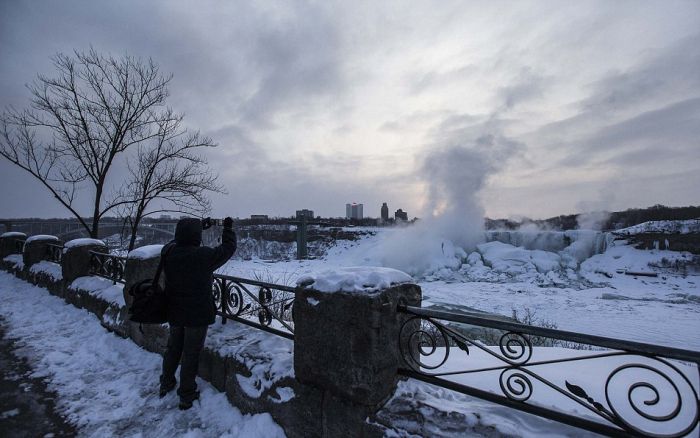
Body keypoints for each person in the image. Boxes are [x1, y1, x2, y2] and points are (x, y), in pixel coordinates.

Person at [159, 216, 236, 410]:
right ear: (196, 236)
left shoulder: (168, 252)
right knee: (191, 353)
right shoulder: (203, 256)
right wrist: (228, 229)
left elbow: (173, 242)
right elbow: (228, 249)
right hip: (196, 313)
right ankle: (186, 395)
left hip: (174, 309)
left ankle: (166, 383)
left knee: (173, 348)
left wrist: (195, 227)